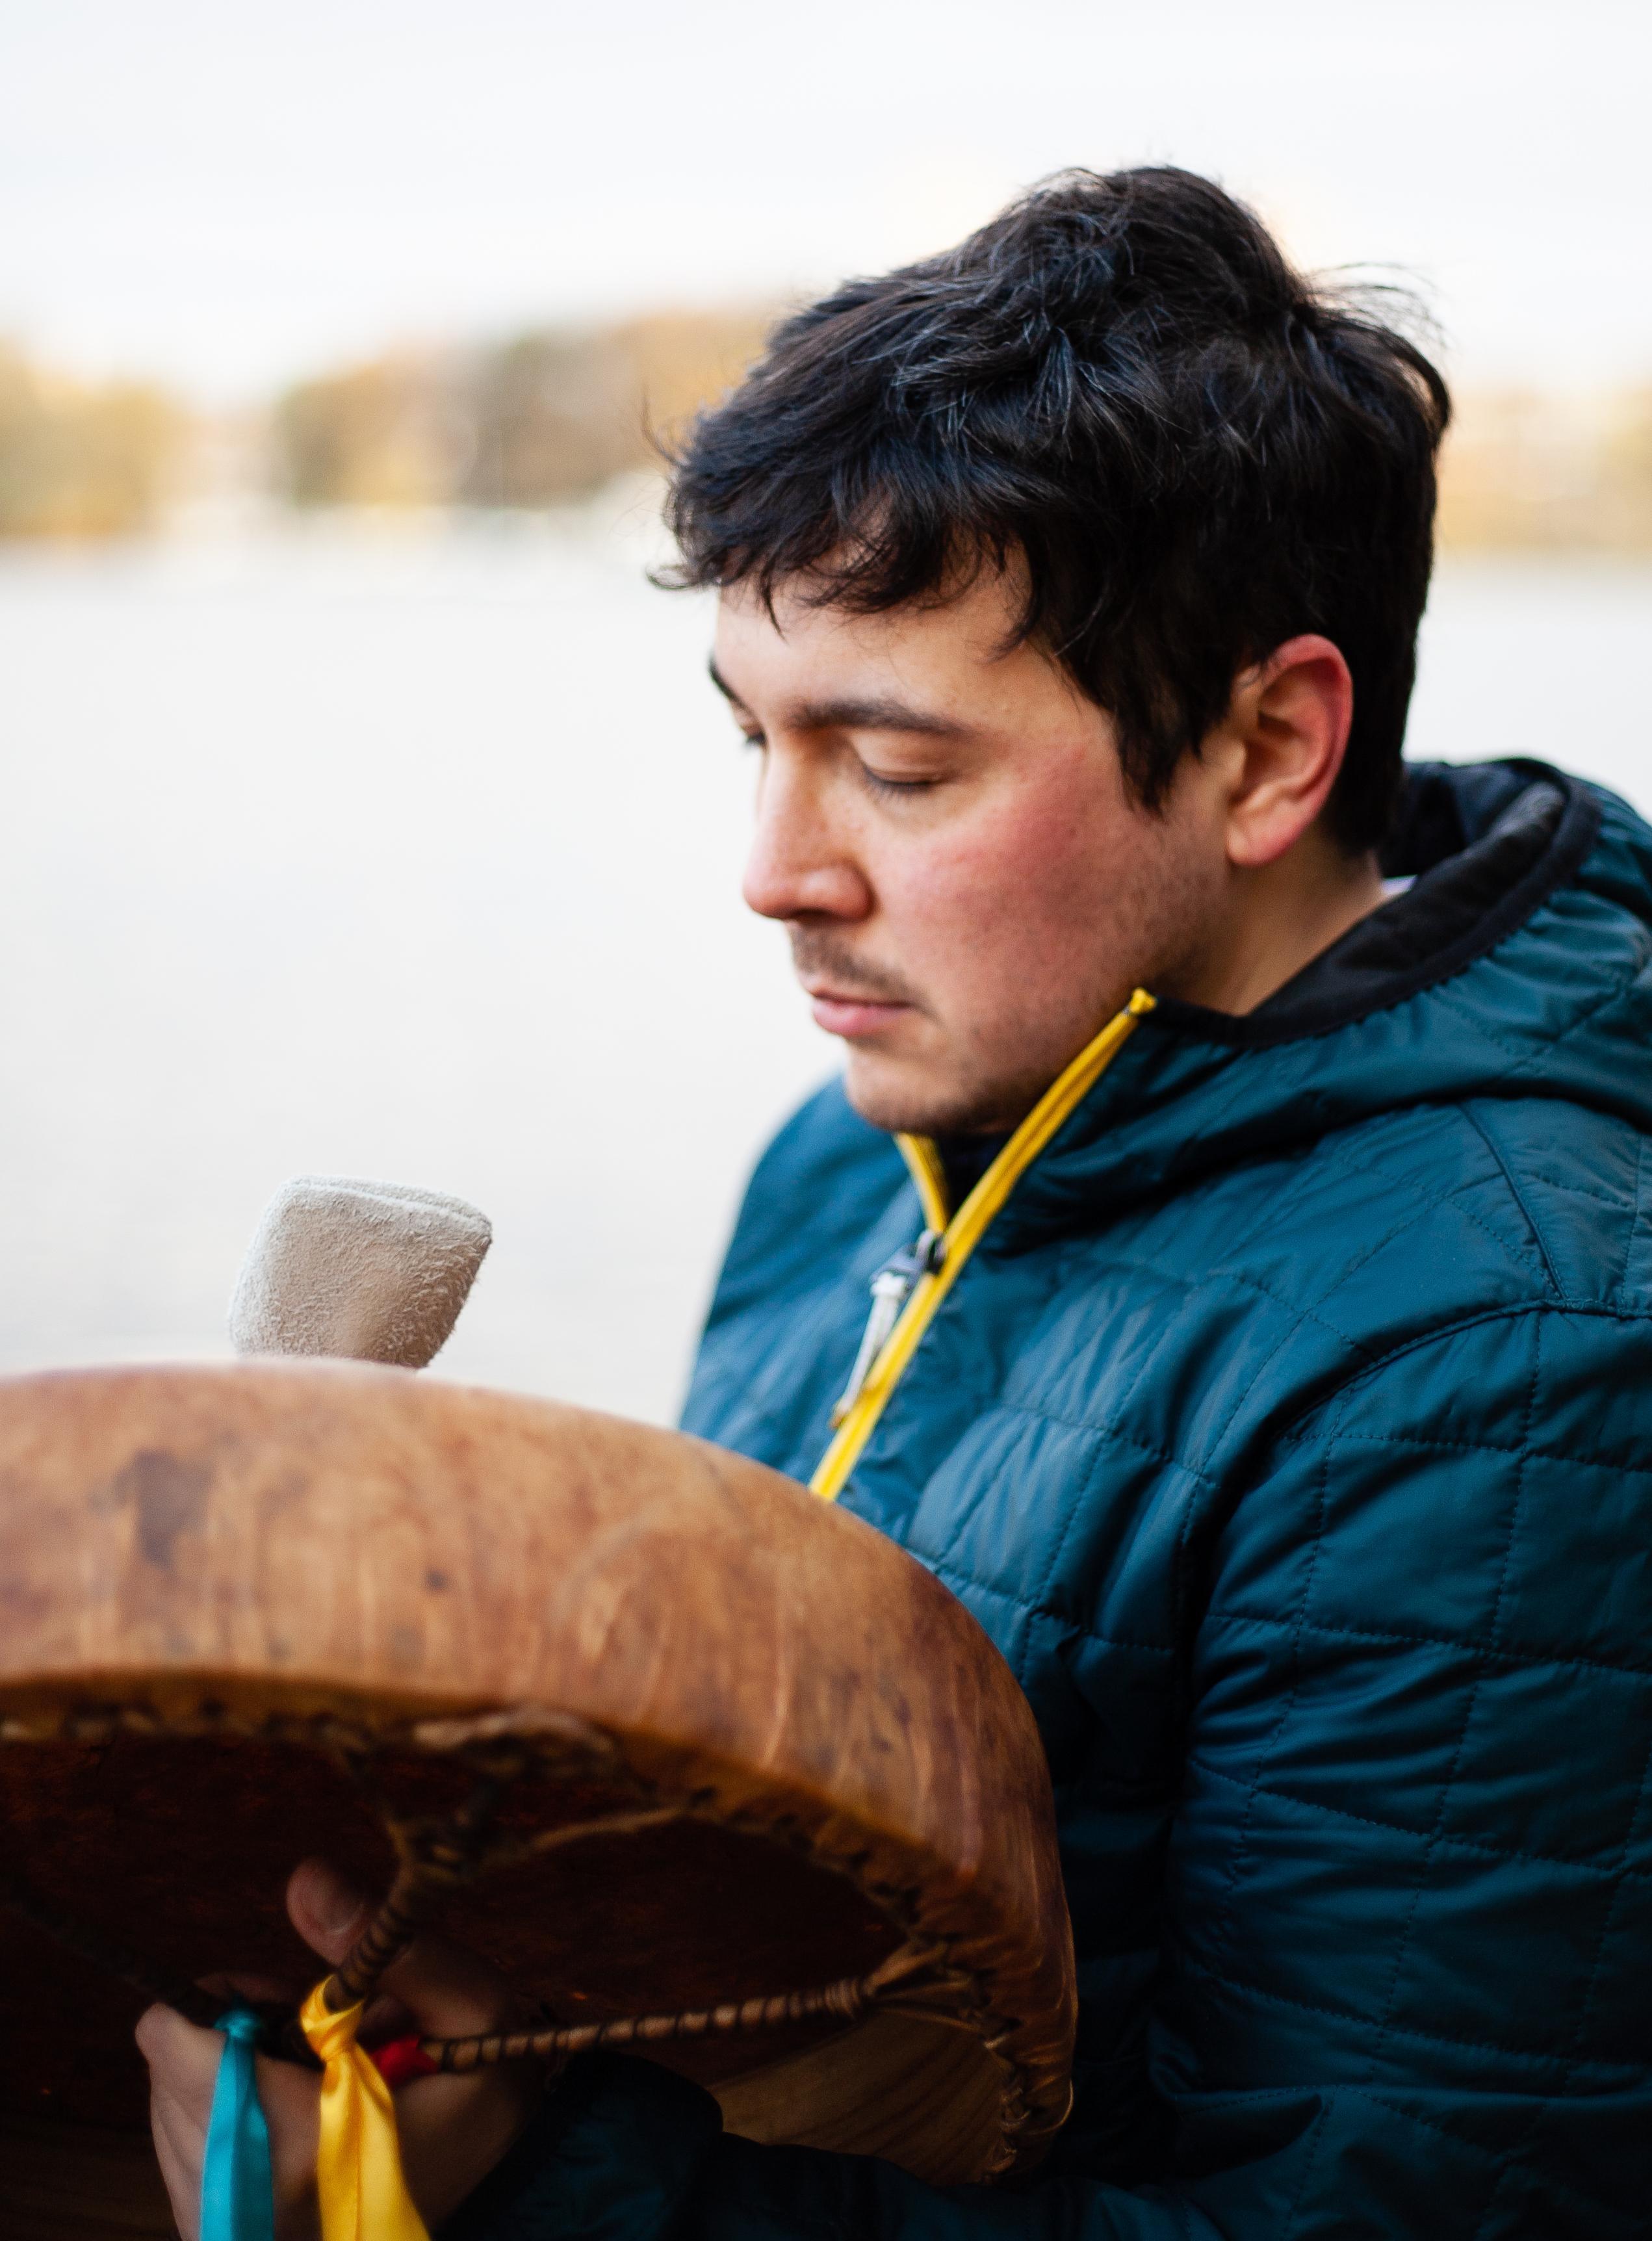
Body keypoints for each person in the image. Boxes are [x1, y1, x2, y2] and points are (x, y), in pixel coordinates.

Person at [140, 167, 1652, 2237]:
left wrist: (542, 2194)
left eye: (898, 766)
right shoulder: (857, 1143)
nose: (774, 869)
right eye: (756, 738)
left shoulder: (1516, 1358)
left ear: (1269, 747)